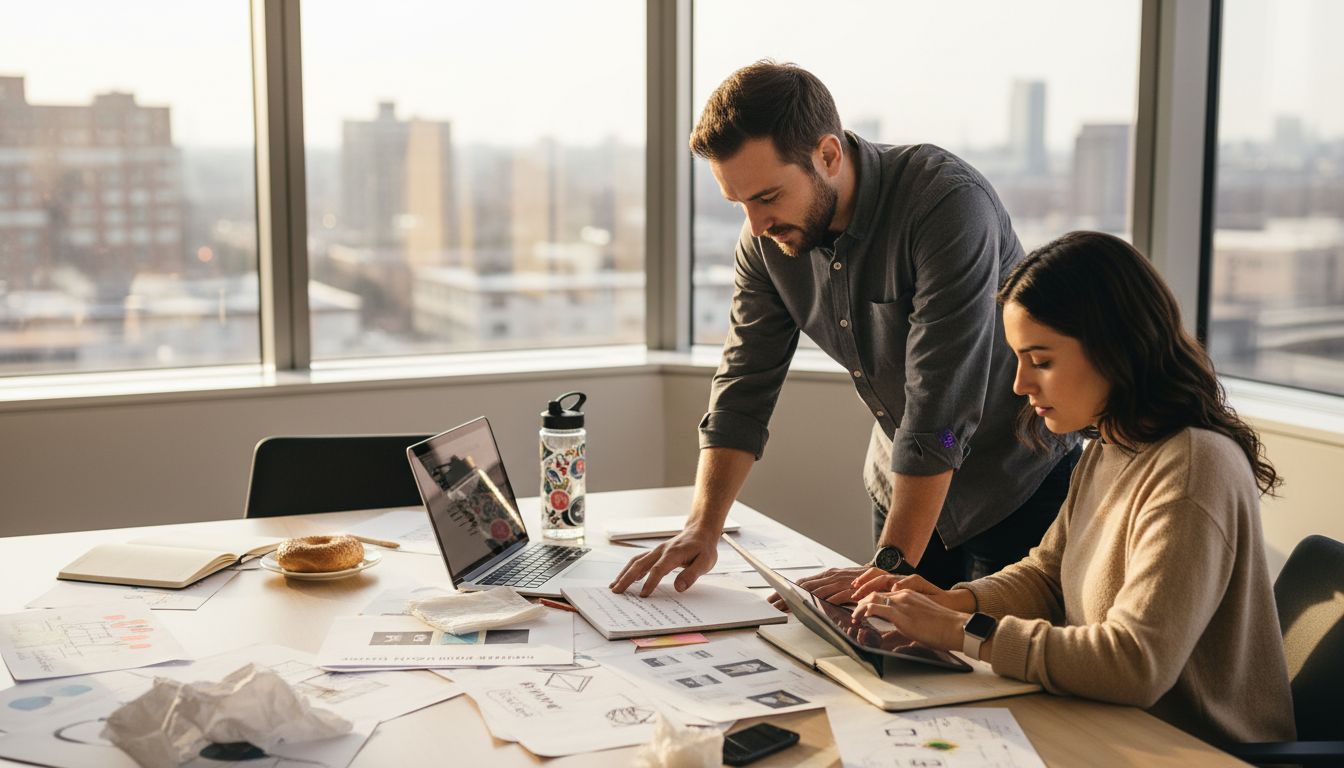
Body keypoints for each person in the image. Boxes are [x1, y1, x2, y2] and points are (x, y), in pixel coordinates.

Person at [611, 61, 1078, 598]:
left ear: (828, 156)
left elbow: (941, 411)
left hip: (1016, 487)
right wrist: (702, 525)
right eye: (739, 204)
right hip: (903, 487)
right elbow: (743, 386)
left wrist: (892, 564)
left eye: (766, 197)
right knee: (890, 662)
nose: (756, 225)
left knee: (998, 670)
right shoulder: (764, 238)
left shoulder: (946, 206)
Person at [847, 231, 1294, 745]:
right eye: (1017, 358)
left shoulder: (1193, 467)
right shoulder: (1109, 446)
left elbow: (1134, 663)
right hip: (1113, 728)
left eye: (1041, 360)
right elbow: (1047, 575)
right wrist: (955, 603)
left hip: (1192, 749)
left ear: (1115, 347)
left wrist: (961, 634)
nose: (1020, 384)